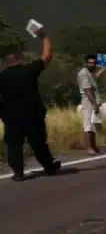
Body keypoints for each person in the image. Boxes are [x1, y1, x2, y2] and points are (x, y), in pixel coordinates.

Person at [0, 25, 61, 181]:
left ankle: (18, 172)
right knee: (39, 141)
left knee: (14, 145)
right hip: (33, 114)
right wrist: (44, 37)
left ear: (6, 64)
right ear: (19, 61)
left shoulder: (2, 77)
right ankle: (49, 166)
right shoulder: (29, 70)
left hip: (11, 116)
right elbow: (46, 56)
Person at [77, 53, 105, 155]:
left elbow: (95, 77)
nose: (92, 64)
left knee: (93, 125)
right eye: (90, 63)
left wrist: (104, 68)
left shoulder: (89, 73)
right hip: (88, 102)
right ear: (86, 63)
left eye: (94, 63)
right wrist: (94, 104)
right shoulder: (83, 73)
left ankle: (93, 147)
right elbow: (87, 90)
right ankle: (89, 148)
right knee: (88, 125)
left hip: (94, 102)